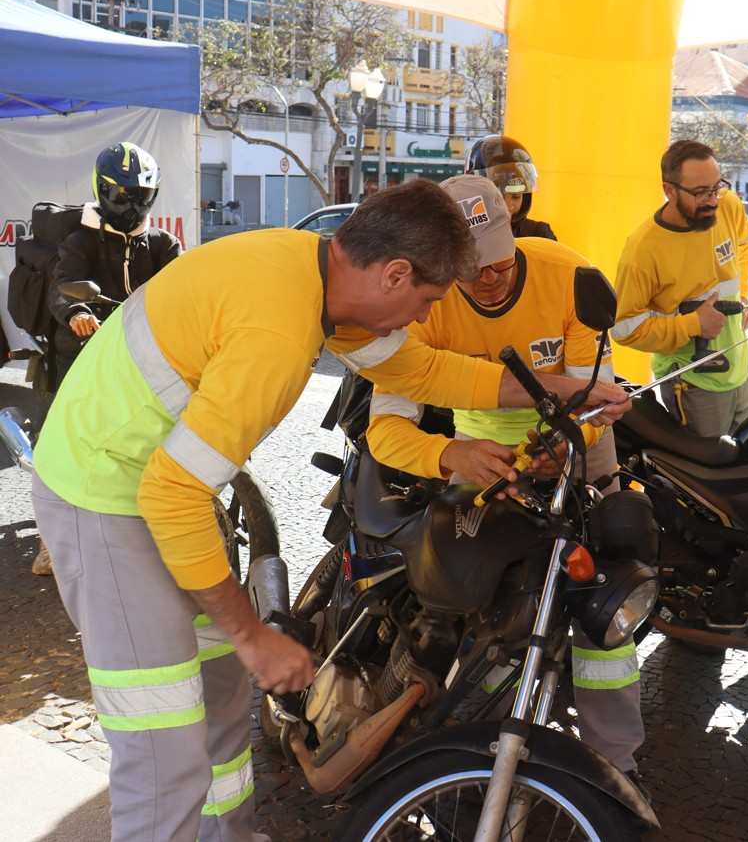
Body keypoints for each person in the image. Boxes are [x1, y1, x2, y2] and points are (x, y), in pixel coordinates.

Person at [30, 180, 629, 842]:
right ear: (395, 273)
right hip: (106, 496)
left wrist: (565, 389)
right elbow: (170, 493)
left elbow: (423, 372)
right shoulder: (278, 333)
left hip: (165, 486)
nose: (422, 316)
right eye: (428, 300)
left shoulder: (315, 273)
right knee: (162, 746)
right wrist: (257, 638)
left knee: (219, 698)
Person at [366, 174, 646, 779]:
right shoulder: (424, 304)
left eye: (500, 262)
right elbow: (385, 431)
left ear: (514, 230)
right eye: (472, 271)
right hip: (483, 453)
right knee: (489, 597)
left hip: (576, 444)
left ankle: (616, 764)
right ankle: (490, 741)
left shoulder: (569, 277)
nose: (490, 279)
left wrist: (569, 445)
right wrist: (451, 454)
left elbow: (594, 401)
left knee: (605, 598)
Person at [31, 141, 181, 576]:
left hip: (143, 349)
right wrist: (76, 312)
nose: (132, 205)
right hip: (85, 346)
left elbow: (184, 287)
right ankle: (49, 542)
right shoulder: (80, 241)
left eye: (141, 196)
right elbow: (63, 285)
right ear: (103, 192)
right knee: (63, 437)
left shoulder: (163, 243)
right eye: (122, 195)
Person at [612, 140, 748, 437]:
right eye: (700, 192)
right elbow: (624, 328)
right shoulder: (642, 251)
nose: (712, 200)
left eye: (716, 187)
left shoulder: (727, 206)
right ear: (669, 190)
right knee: (707, 477)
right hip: (693, 381)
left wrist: (742, 293)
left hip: (740, 368)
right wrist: (692, 324)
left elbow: (746, 241)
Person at [465, 134, 558, 239]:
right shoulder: (463, 238)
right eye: (499, 197)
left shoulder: (540, 234)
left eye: (516, 196)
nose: (508, 206)